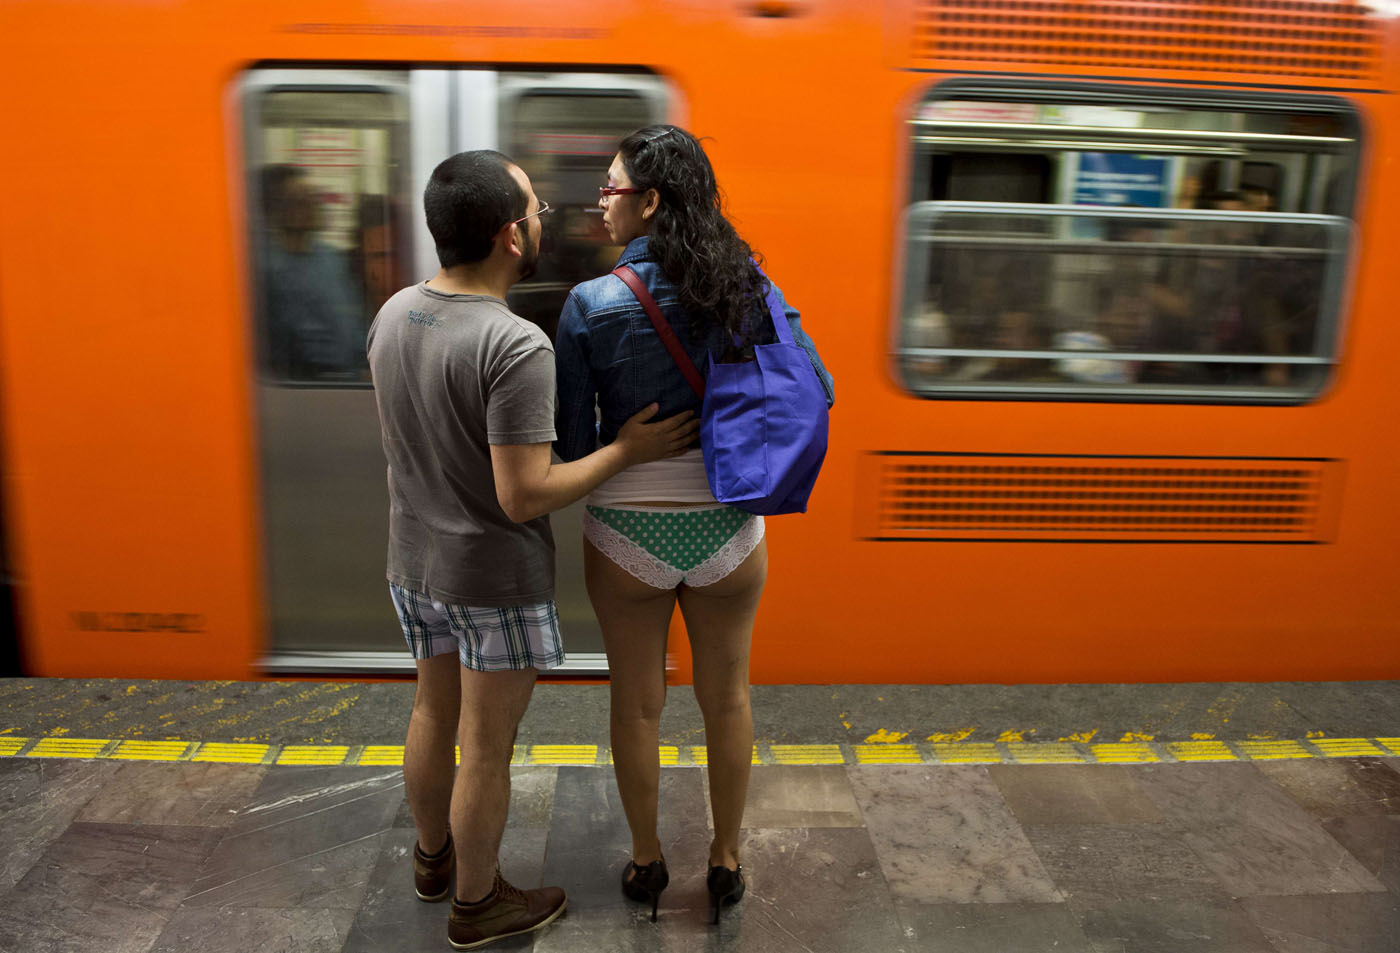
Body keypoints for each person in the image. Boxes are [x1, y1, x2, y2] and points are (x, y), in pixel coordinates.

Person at [366, 150, 698, 949]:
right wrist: (625, 450)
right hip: (491, 576)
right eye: (537, 208)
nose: (548, 217)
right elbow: (524, 493)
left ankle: (433, 859)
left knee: (429, 708)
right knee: (486, 742)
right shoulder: (515, 346)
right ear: (512, 236)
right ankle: (478, 903)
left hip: (413, 559)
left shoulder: (394, 313)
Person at [553, 125, 834, 924]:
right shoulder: (743, 285)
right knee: (728, 698)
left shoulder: (589, 303)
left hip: (625, 534)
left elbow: (574, 445)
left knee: (638, 704)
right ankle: (726, 858)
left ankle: (646, 861)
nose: (599, 201)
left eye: (610, 187)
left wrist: (628, 440)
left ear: (648, 200)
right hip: (729, 529)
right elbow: (813, 381)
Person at [258, 165, 363, 379]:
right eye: (296, 199)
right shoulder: (268, 264)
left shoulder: (331, 258)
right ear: (278, 208)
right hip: (303, 378)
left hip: (347, 374)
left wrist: (366, 360)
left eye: (311, 198)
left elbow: (350, 318)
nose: (306, 205)